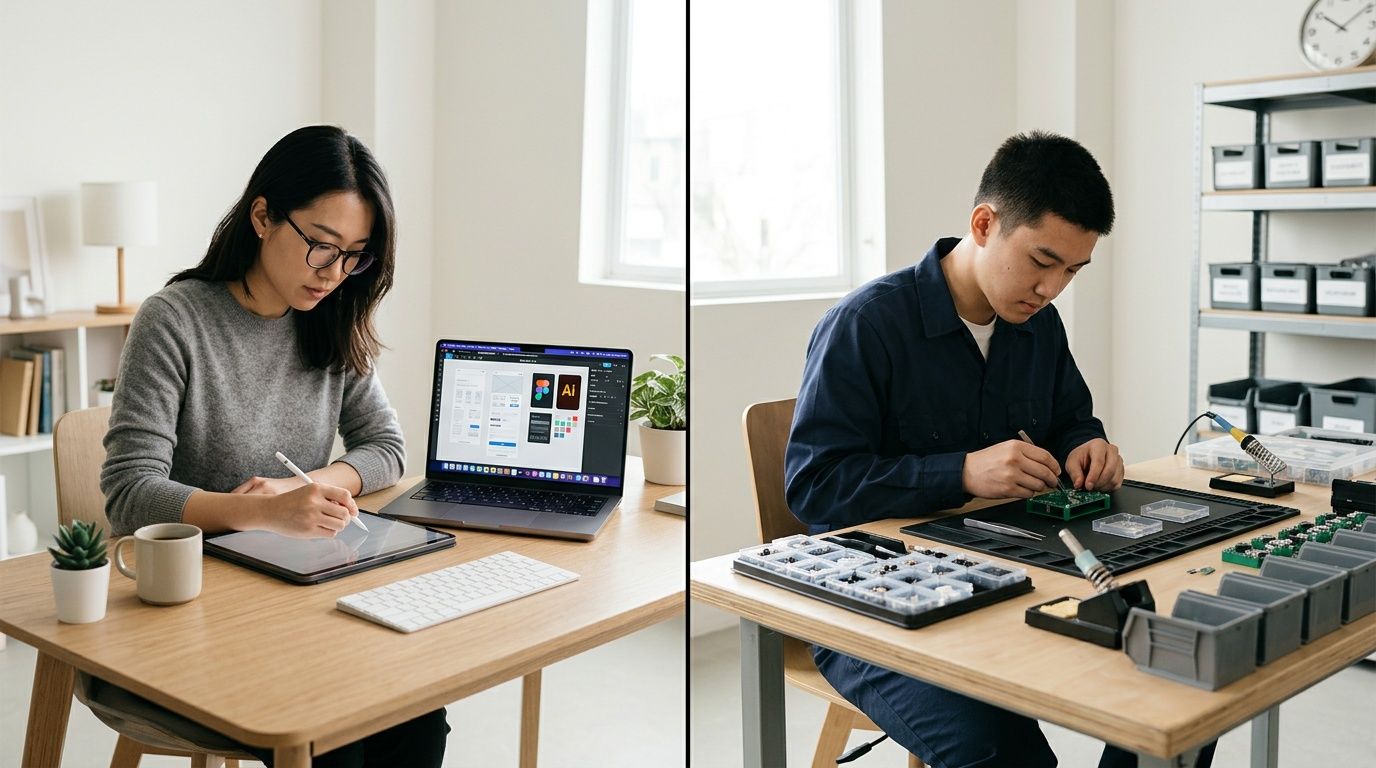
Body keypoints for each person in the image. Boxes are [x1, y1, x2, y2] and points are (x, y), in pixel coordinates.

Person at [784, 131, 1214, 768]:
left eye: (1072, 270)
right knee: (1004, 758)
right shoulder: (867, 325)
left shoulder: (1037, 325)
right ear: (984, 224)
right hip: (876, 605)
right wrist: (960, 472)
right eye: (1042, 261)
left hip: (1015, 576)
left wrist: (1086, 446)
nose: (1052, 288)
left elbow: (1070, 418)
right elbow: (815, 484)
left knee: (1182, 699)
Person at [99, 125, 448, 767]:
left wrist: (299, 486)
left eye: (356, 257)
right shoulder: (174, 320)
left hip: (303, 593)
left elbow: (387, 448)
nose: (336, 274)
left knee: (418, 710)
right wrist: (260, 512)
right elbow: (128, 496)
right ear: (263, 216)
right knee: (334, 734)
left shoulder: (332, 319)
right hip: (198, 608)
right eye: (322, 246)